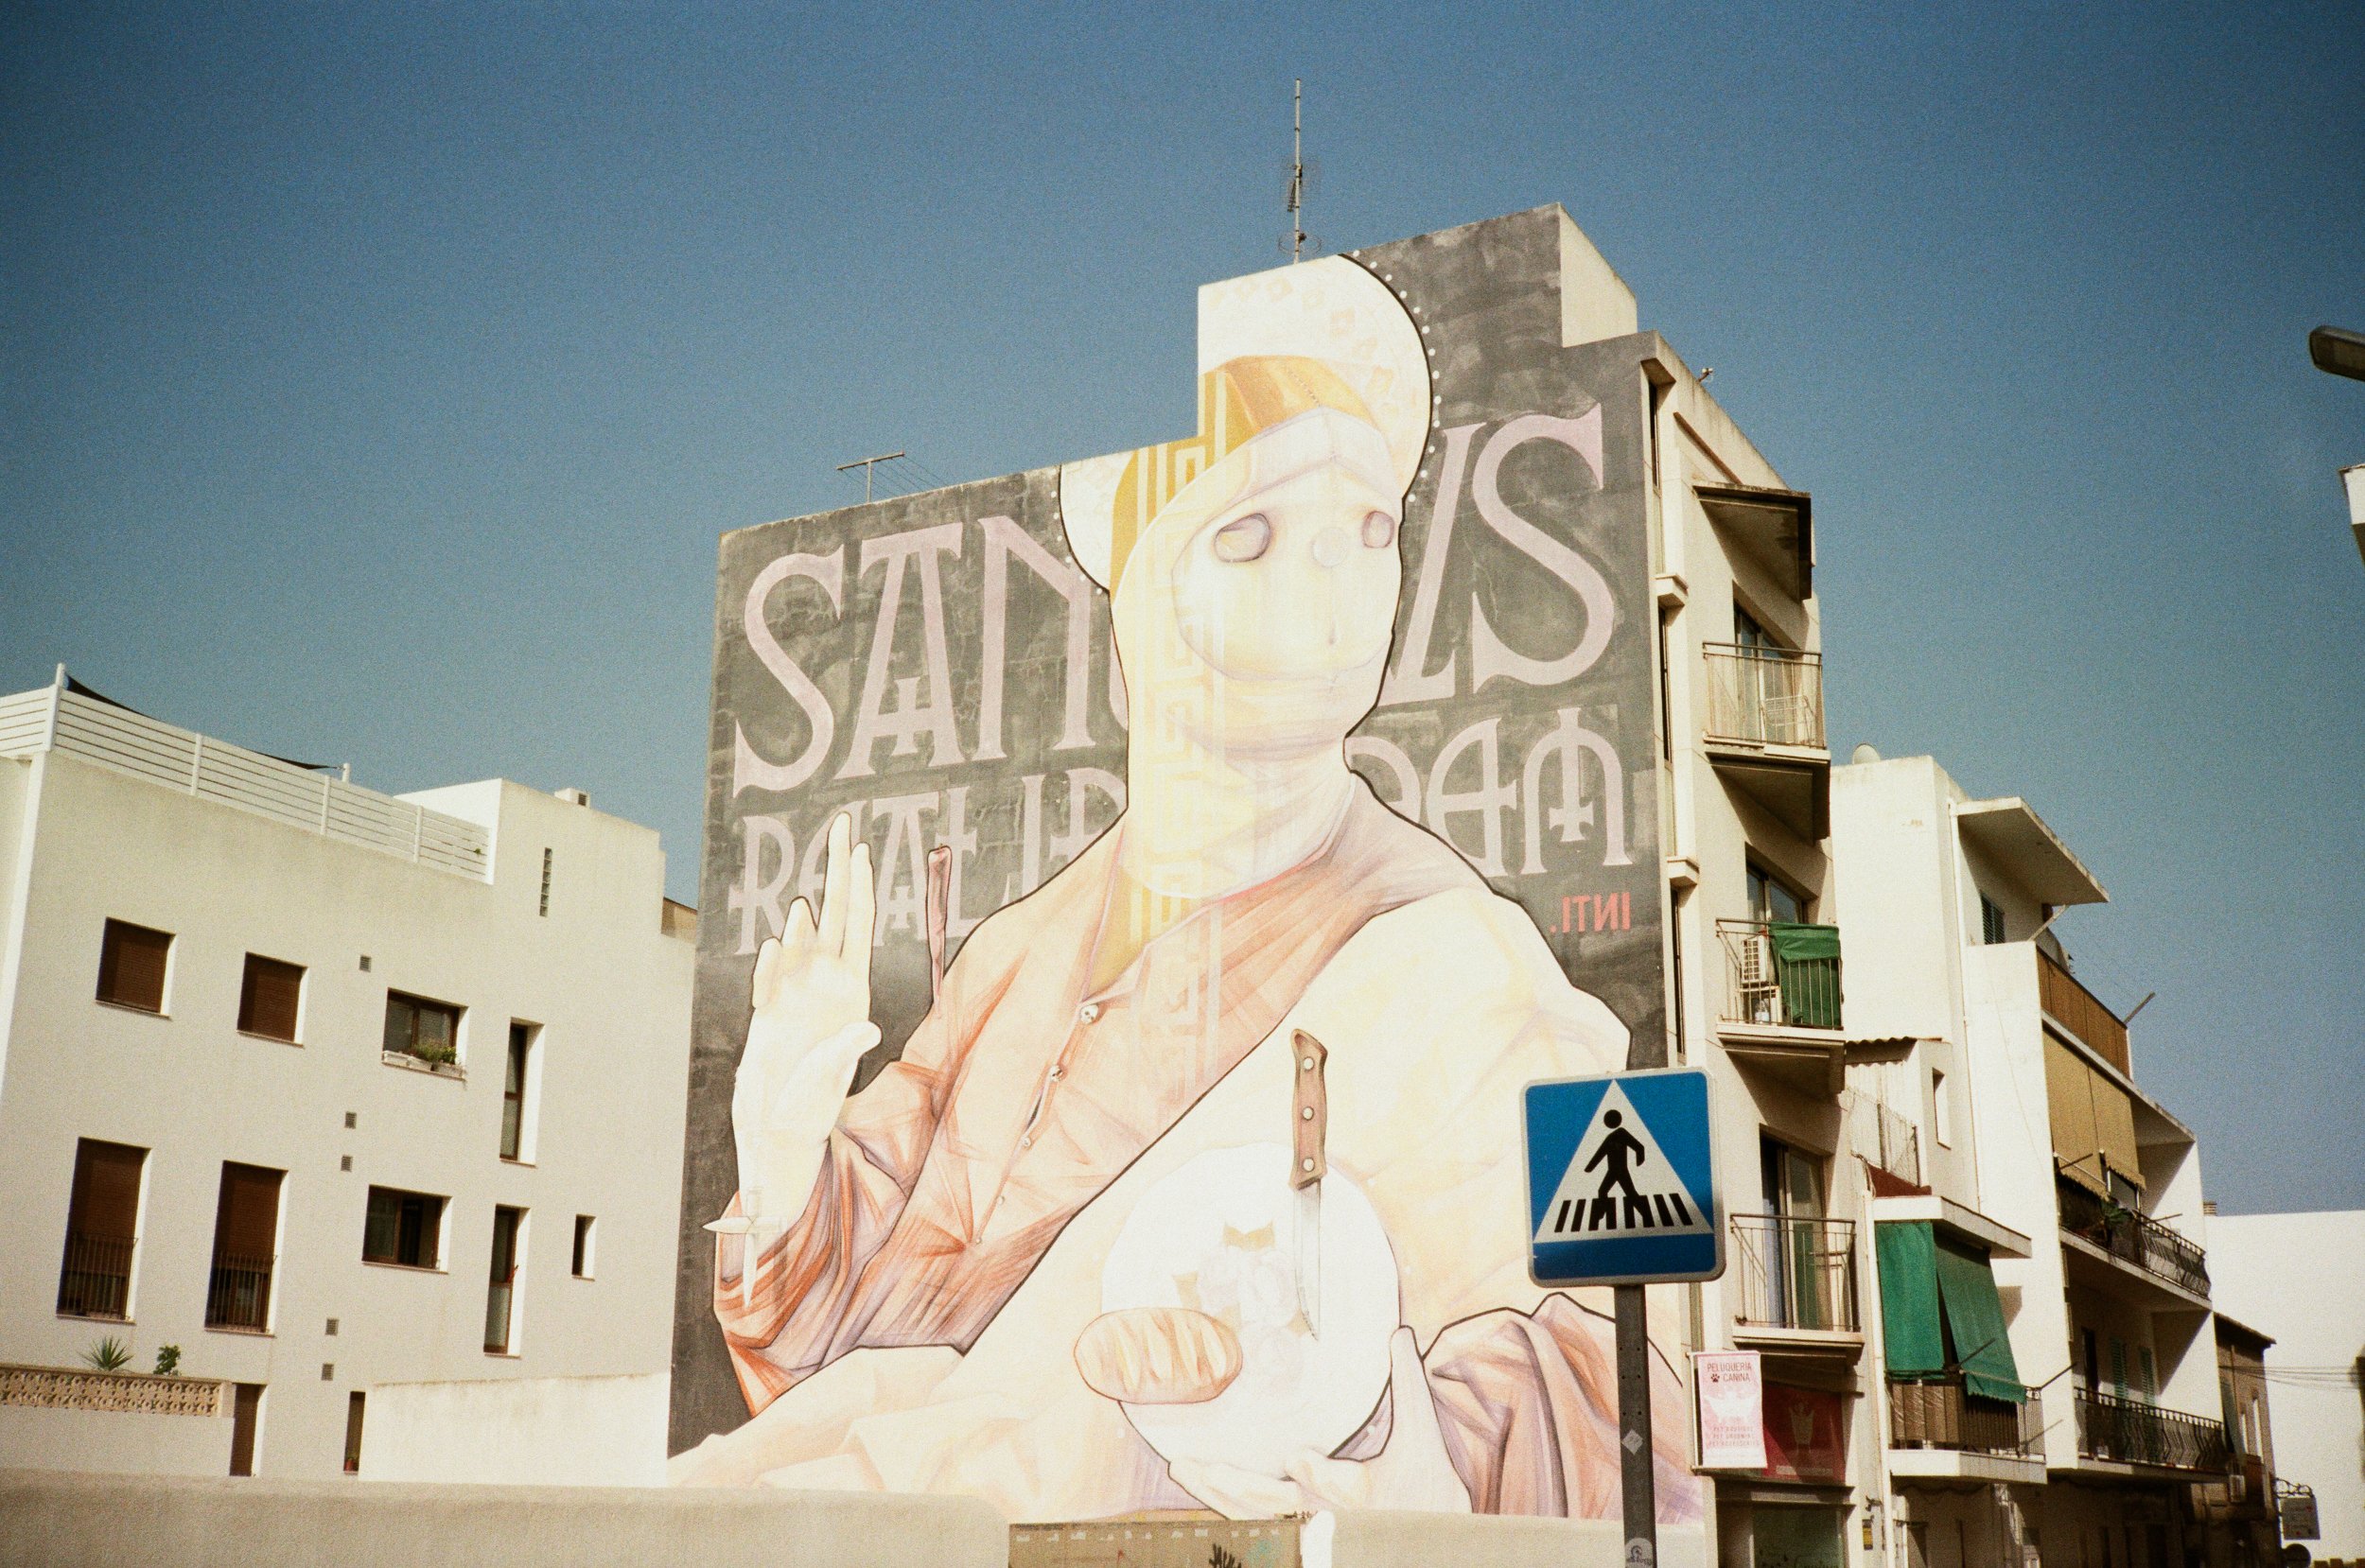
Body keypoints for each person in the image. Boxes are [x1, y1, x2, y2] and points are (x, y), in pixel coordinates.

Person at [673, 258, 1700, 1524]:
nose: (1330, 582)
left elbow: (1614, 1405)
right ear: (1140, 586)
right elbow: (824, 1351)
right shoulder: (1014, 950)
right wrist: (780, 1149)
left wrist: (1339, 1407)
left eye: (1368, 530)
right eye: (1252, 531)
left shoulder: (1454, 958)